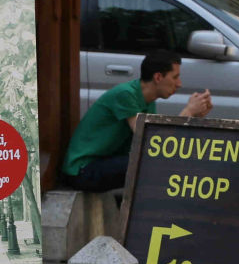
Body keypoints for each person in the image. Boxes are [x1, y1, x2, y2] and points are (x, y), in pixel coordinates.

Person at [62, 49, 213, 191]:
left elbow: (158, 145)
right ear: (158, 77)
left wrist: (195, 116)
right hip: (82, 170)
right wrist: (188, 112)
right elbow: (152, 140)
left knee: (163, 161)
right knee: (149, 164)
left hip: (104, 163)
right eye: (175, 77)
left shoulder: (147, 100)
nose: (179, 84)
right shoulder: (125, 94)